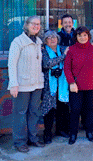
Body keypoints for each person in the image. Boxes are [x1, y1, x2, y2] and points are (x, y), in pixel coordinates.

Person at [8, 16, 45, 153]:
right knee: (20, 113)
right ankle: (19, 141)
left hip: (36, 84)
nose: (36, 26)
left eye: (38, 24)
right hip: (22, 85)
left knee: (34, 112)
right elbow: (12, 64)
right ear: (27, 25)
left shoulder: (39, 42)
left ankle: (33, 138)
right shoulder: (18, 42)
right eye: (33, 24)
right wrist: (14, 84)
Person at [64, 26, 93, 145]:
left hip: (92, 85)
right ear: (76, 37)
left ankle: (89, 132)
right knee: (75, 110)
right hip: (76, 86)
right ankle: (73, 134)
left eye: (85, 35)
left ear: (88, 36)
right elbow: (67, 68)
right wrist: (71, 82)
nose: (82, 37)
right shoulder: (71, 50)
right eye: (80, 35)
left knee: (89, 110)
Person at [40, 31, 70, 144]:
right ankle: (47, 134)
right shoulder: (43, 51)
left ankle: (60, 130)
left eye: (54, 37)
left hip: (62, 84)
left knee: (62, 108)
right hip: (49, 86)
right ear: (45, 40)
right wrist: (63, 57)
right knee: (49, 110)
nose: (52, 39)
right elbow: (47, 63)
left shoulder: (62, 49)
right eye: (49, 38)